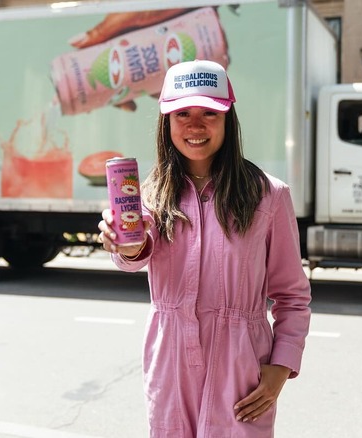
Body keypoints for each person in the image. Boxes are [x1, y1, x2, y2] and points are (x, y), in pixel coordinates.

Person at [98, 60, 312, 437]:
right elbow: (135, 253)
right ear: (166, 122)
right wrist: (124, 244)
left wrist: (281, 366)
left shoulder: (269, 196)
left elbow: (292, 296)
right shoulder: (148, 194)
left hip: (241, 367)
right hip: (170, 364)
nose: (195, 125)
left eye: (209, 113)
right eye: (182, 113)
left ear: (228, 119)